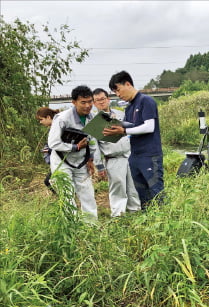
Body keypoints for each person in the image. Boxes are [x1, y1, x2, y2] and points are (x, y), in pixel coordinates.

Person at [103, 71, 164, 209]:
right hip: (134, 155)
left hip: (149, 154)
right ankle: (148, 220)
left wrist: (124, 130)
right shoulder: (129, 108)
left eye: (118, 90)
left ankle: (164, 221)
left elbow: (149, 127)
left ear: (128, 84)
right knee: (141, 192)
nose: (117, 94)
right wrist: (113, 130)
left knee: (155, 190)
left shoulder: (145, 101)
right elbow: (131, 128)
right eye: (114, 92)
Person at [48, 85, 98, 220]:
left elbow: (92, 141)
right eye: (83, 102)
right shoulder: (62, 118)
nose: (87, 106)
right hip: (61, 161)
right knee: (67, 194)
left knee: (87, 193)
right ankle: (72, 226)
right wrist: (75, 147)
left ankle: (91, 226)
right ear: (74, 102)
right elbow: (53, 143)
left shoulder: (93, 118)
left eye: (90, 102)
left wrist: (90, 159)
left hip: (81, 161)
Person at [92, 88, 141, 217]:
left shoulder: (120, 114)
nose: (101, 102)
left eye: (103, 99)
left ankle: (135, 211)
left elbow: (132, 130)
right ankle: (118, 215)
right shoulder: (94, 121)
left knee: (133, 185)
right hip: (113, 157)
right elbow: (94, 146)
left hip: (129, 154)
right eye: (97, 101)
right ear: (94, 103)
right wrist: (99, 165)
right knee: (118, 188)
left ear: (108, 99)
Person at [35, 107, 58, 194]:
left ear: (48, 117)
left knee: (48, 181)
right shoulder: (53, 127)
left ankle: (62, 197)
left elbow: (58, 145)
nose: (40, 122)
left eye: (41, 119)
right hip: (58, 160)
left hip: (61, 160)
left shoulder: (57, 127)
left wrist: (48, 151)